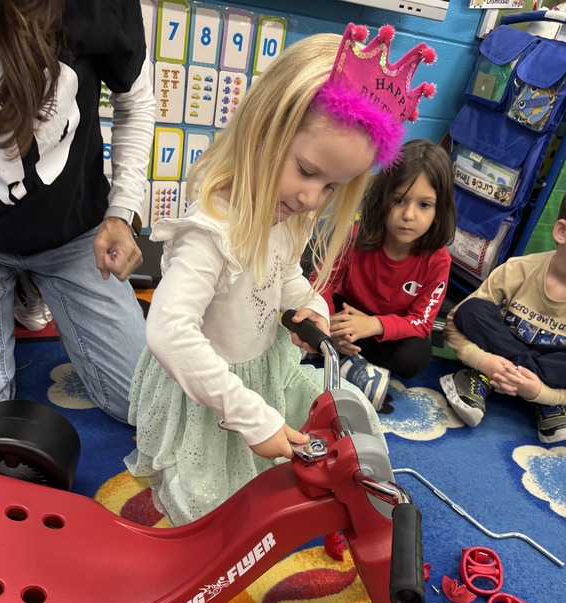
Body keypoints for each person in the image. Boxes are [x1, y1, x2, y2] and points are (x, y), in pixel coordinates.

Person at [125, 23, 437, 525]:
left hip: (262, 368)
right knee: (214, 507)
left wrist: (310, 304)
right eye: (308, 172)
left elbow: (284, 274)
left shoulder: (287, 213)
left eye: (332, 186)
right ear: (264, 128)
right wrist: (250, 418)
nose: (312, 199)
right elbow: (168, 329)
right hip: (213, 388)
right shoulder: (211, 230)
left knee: (345, 407)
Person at [0, 0, 155, 429]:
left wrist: (122, 213)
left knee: (143, 402)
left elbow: (136, 102)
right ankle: (17, 290)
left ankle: (31, 288)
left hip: (72, 235)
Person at [318, 139, 456, 411]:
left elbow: (421, 323)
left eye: (424, 205)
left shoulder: (439, 260)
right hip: (344, 313)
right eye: (399, 200)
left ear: (439, 211)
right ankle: (335, 351)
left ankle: (339, 358)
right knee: (304, 281)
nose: (409, 215)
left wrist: (374, 325)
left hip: (383, 329)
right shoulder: (356, 234)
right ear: (383, 198)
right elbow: (324, 281)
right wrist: (330, 322)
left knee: (416, 356)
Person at [440, 194, 566, 444]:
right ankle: (486, 374)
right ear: (562, 232)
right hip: (501, 352)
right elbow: (455, 321)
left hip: (550, 372)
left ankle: (487, 380)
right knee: (472, 309)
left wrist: (542, 394)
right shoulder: (519, 269)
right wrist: (485, 361)